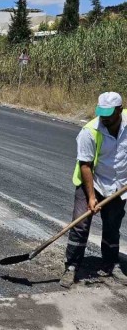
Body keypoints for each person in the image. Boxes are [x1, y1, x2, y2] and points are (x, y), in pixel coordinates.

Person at [61, 92, 127, 288]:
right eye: (101, 113)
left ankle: (110, 265)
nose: (103, 118)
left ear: (119, 110)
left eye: (108, 114)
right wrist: (91, 197)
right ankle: (71, 267)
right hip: (92, 182)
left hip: (118, 185)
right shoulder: (89, 131)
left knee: (112, 226)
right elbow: (86, 165)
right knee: (80, 226)